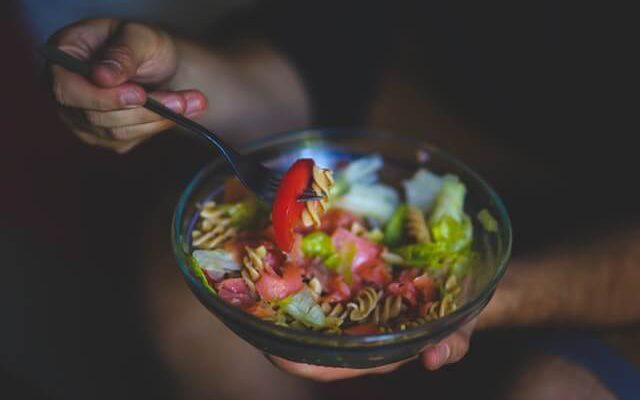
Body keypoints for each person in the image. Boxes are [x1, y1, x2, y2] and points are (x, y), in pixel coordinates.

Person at [45, 4, 640, 398]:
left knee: (558, 388)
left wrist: (475, 301)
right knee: (180, 292)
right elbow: (328, 62)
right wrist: (184, 76)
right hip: (433, 144)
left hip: (610, 254)